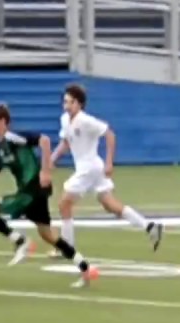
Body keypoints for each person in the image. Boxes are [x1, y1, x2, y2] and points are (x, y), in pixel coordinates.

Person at [0, 102, 99, 288]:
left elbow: (44, 140)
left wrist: (46, 171)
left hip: (32, 191)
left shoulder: (14, 137)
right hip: (32, 192)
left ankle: (20, 241)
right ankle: (85, 268)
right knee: (48, 235)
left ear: (3, 121)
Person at [47, 83, 163, 255]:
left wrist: (109, 162)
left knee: (64, 203)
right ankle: (150, 226)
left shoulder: (86, 120)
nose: (66, 106)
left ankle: (66, 248)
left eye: (70, 102)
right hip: (91, 168)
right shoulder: (65, 119)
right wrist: (52, 158)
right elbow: (66, 142)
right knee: (110, 205)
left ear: (79, 104)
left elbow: (110, 135)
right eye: (65, 102)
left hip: (89, 168)